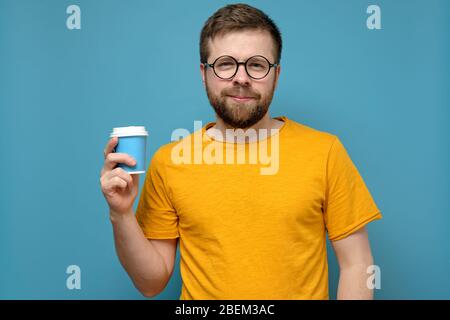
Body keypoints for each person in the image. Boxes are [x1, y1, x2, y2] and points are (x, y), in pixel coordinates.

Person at [100, 3, 382, 300]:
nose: (241, 78)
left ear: (276, 74)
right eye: (225, 64)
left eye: (257, 64)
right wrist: (121, 215)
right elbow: (151, 283)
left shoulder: (325, 152)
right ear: (204, 73)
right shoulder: (169, 162)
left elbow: (357, 264)